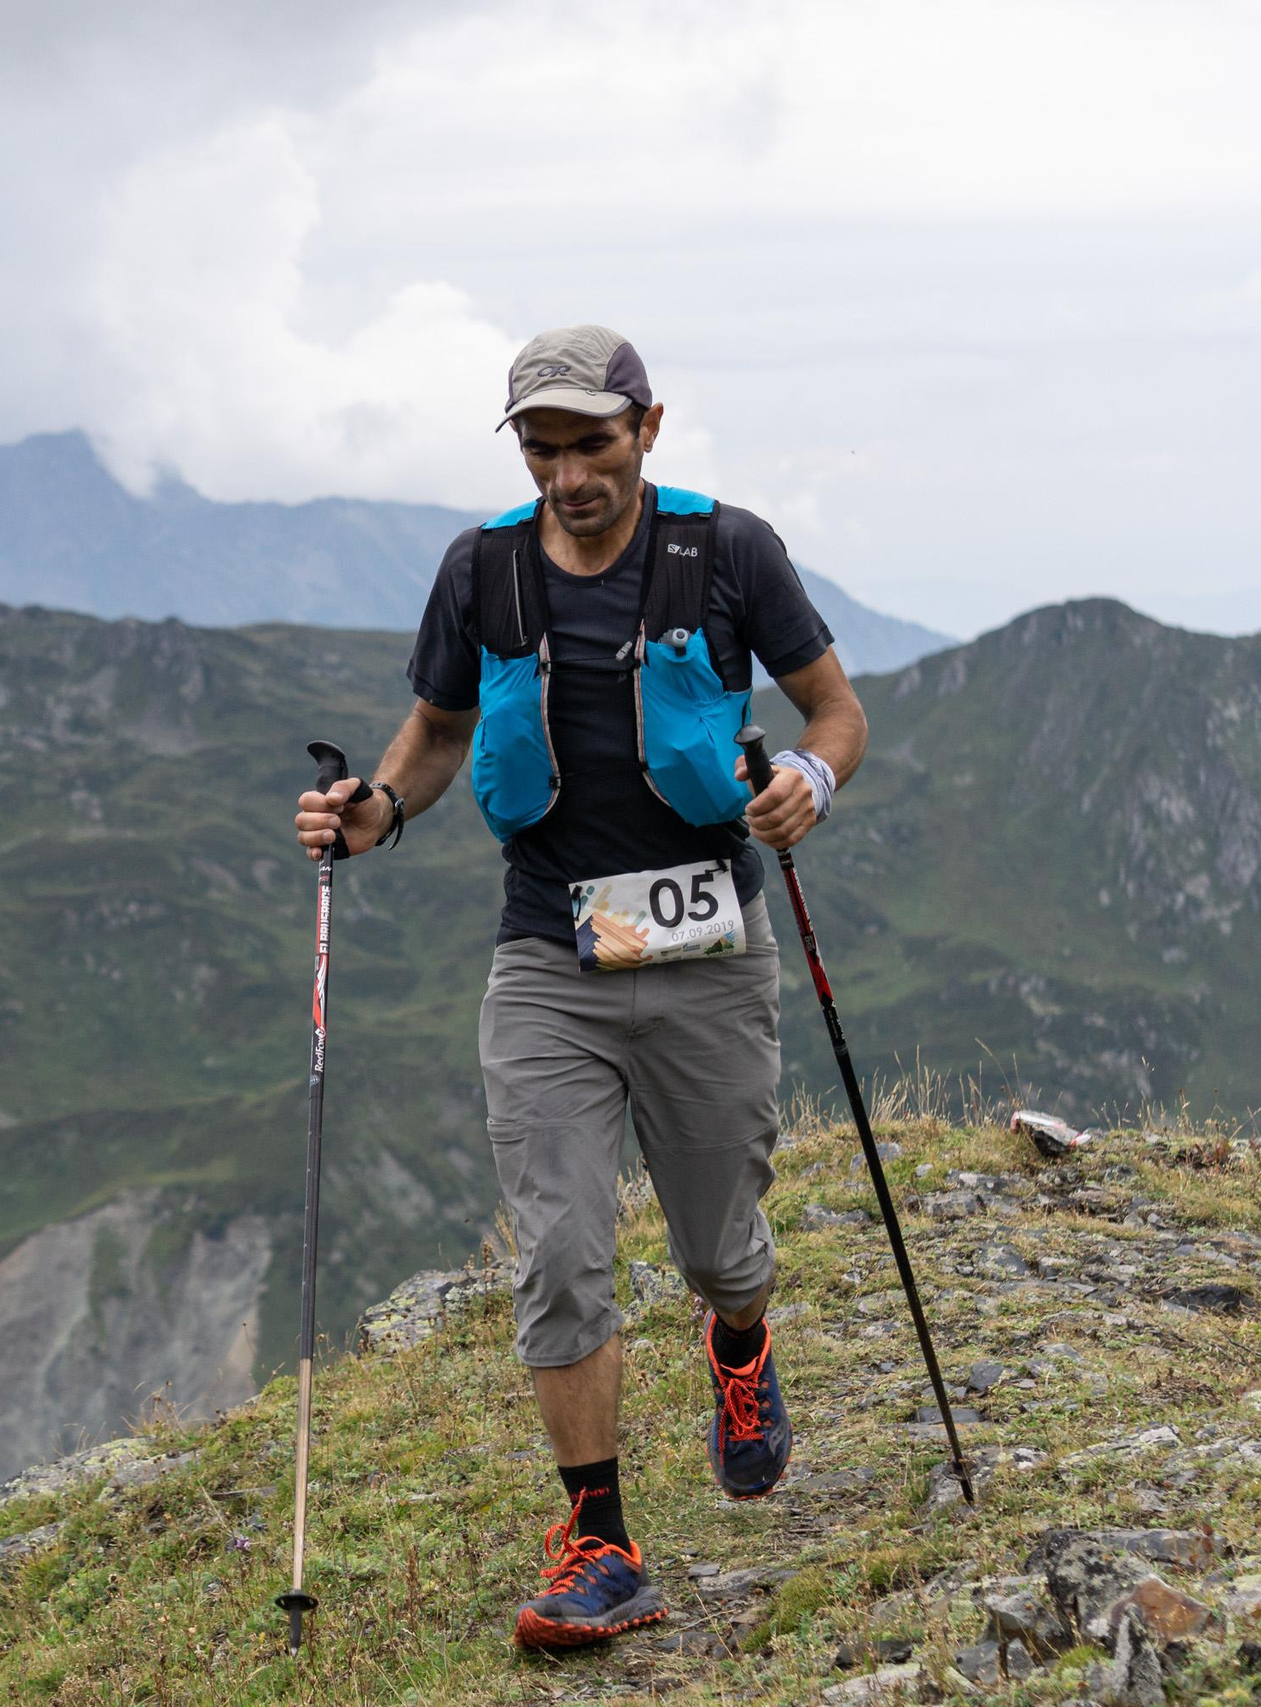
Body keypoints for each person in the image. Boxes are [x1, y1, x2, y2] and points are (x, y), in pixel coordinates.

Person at [292, 325, 866, 1649]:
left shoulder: (730, 552)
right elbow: (437, 731)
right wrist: (379, 808)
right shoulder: (482, 569)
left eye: (593, 445)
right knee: (560, 1249)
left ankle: (739, 1343)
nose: (570, 477)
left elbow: (835, 711)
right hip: (548, 954)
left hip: (706, 944)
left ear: (647, 429)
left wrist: (809, 780)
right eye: (543, 451)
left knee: (720, 1245)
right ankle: (601, 1541)